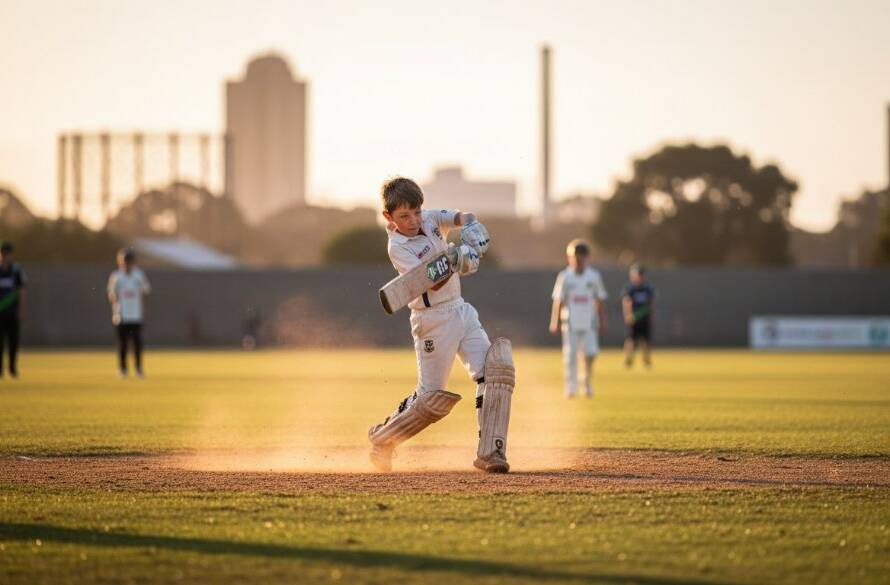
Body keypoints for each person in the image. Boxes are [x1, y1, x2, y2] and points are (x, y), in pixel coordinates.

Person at [367, 177, 515, 473]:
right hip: (431, 322)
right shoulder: (397, 247)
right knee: (431, 399)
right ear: (388, 217)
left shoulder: (430, 218)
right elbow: (432, 282)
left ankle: (491, 452)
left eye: (416, 212)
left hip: (461, 310)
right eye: (404, 216)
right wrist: (459, 256)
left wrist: (471, 224)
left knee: (496, 372)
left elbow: (459, 216)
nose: (413, 221)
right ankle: (383, 439)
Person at [549, 239, 607, 398]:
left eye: (581, 256)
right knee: (570, 356)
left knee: (590, 353)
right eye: (575, 256)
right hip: (570, 323)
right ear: (570, 257)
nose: (578, 259)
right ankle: (571, 387)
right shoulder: (565, 276)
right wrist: (554, 321)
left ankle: (586, 382)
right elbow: (558, 300)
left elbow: (600, 299)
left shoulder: (594, 277)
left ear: (587, 257)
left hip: (589, 322)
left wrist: (603, 320)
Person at [107, 248, 151, 378]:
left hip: (136, 316)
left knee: (137, 344)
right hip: (121, 316)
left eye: (129, 261)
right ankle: (123, 369)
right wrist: (115, 301)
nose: (126, 264)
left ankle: (138, 368)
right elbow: (111, 293)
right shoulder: (116, 276)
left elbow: (146, 291)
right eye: (124, 262)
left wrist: (142, 307)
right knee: (123, 344)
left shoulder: (139, 275)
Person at [0, 241, 26, 378]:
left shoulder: (16, 271)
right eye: (4, 254)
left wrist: (21, 310)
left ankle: (12, 368)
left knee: (13, 342)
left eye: (8, 254)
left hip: (12, 312)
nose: (6, 256)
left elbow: (22, 290)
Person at [622, 264, 655, 368]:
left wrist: (651, 315)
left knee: (645, 341)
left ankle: (647, 361)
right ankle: (629, 360)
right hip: (634, 318)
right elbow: (626, 302)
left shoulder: (648, 288)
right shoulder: (630, 288)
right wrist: (628, 315)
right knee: (631, 340)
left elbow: (651, 304)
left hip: (644, 319)